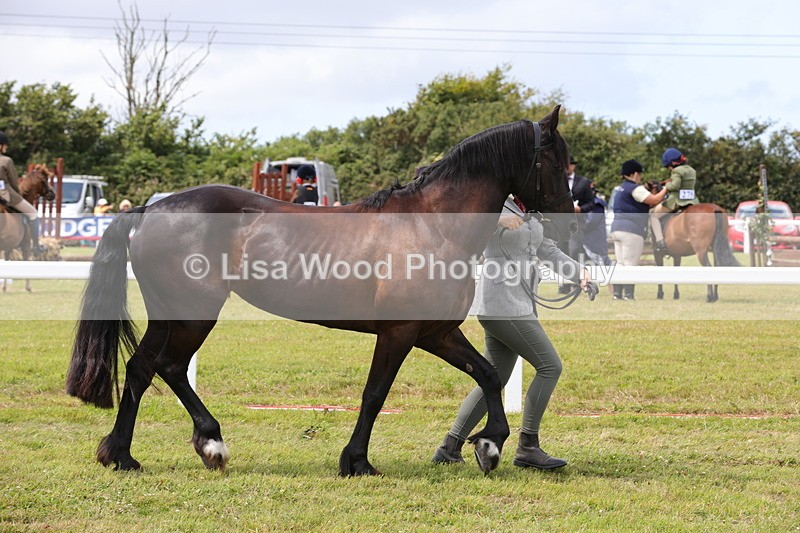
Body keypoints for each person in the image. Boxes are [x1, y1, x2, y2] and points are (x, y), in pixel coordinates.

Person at [432, 196, 594, 470]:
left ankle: (450, 447)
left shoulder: (530, 207)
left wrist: (579, 272)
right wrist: (496, 219)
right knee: (549, 366)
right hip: (501, 301)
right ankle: (528, 447)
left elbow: (547, 250)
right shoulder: (493, 201)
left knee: (494, 379)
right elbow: (456, 219)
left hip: (521, 301)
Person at [610, 159, 668, 300]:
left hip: (616, 229)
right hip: (631, 231)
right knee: (630, 265)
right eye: (640, 174)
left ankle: (617, 294)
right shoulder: (635, 188)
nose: (640, 177)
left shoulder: (620, 189)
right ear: (634, 174)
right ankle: (629, 296)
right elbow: (654, 200)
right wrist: (667, 189)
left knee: (620, 263)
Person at [0, 131, 43, 255]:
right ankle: (36, 246)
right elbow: (13, 182)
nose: (7, 147)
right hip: (5, 193)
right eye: (5, 145)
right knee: (33, 213)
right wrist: (18, 194)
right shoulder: (6, 161)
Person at [557, 155, 595, 293]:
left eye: (570, 164)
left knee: (574, 250)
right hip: (559, 222)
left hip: (577, 223)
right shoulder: (555, 181)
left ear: (573, 166)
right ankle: (563, 284)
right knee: (560, 251)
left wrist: (581, 209)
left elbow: (591, 203)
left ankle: (576, 282)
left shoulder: (584, 182)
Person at [650, 148, 698, 252]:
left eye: (668, 167)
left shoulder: (676, 171)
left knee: (653, 214)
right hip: (692, 200)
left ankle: (660, 242)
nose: (669, 169)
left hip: (677, 201)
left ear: (672, 163)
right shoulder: (691, 170)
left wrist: (666, 185)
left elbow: (675, 186)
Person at [582, 181, 611, 269]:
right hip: (587, 244)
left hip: (595, 246)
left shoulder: (596, 205)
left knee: (603, 274)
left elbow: (589, 223)